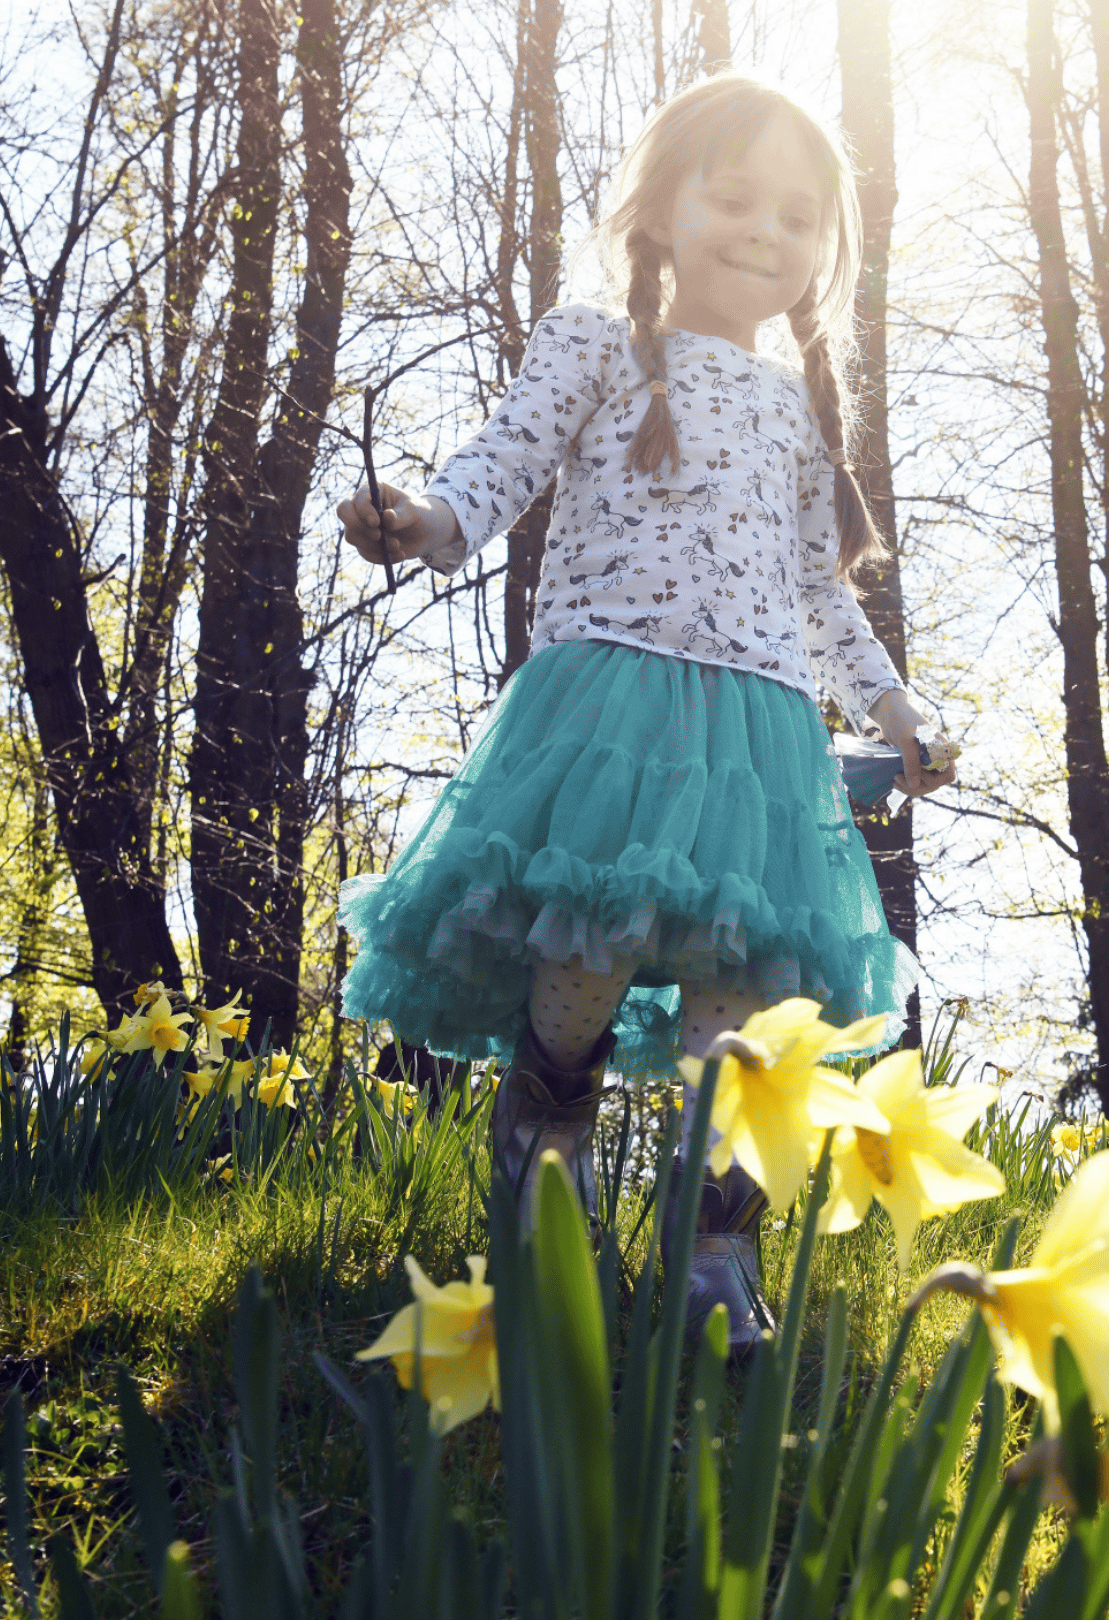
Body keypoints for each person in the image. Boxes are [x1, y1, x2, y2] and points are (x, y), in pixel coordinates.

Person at [335, 73, 953, 1355]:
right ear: (658, 207)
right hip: (613, 710)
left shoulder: (794, 411)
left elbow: (813, 596)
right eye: (734, 199)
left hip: (761, 745)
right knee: (585, 967)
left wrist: (897, 707)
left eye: (798, 217)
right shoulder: (593, 342)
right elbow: (495, 469)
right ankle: (540, 1223)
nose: (765, 234)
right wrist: (427, 525)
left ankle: (708, 1264)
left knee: (742, 1000)